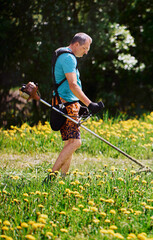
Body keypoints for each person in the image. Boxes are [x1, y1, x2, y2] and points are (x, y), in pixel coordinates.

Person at [43, 32, 104, 183]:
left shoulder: (63, 54)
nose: (86, 52)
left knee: (69, 143)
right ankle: (51, 177)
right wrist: (90, 104)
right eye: (84, 48)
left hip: (65, 103)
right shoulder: (68, 57)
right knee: (76, 142)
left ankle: (62, 180)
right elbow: (73, 84)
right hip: (67, 105)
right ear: (76, 44)